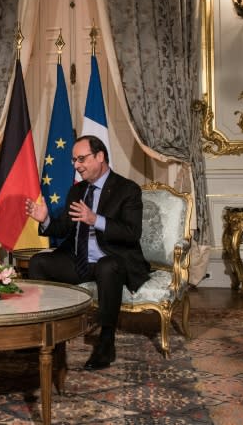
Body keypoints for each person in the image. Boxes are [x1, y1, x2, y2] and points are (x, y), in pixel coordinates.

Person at [25, 135, 149, 370]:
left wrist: (95, 220)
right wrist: (46, 219)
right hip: (80, 261)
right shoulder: (77, 191)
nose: (76, 165)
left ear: (100, 156)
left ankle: (106, 341)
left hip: (113, 261)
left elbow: (132, 233)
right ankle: (45, 332)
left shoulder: (127, 189)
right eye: (74, 160)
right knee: (38, 262)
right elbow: (63, 228)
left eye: (81, 159)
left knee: (107, 266)